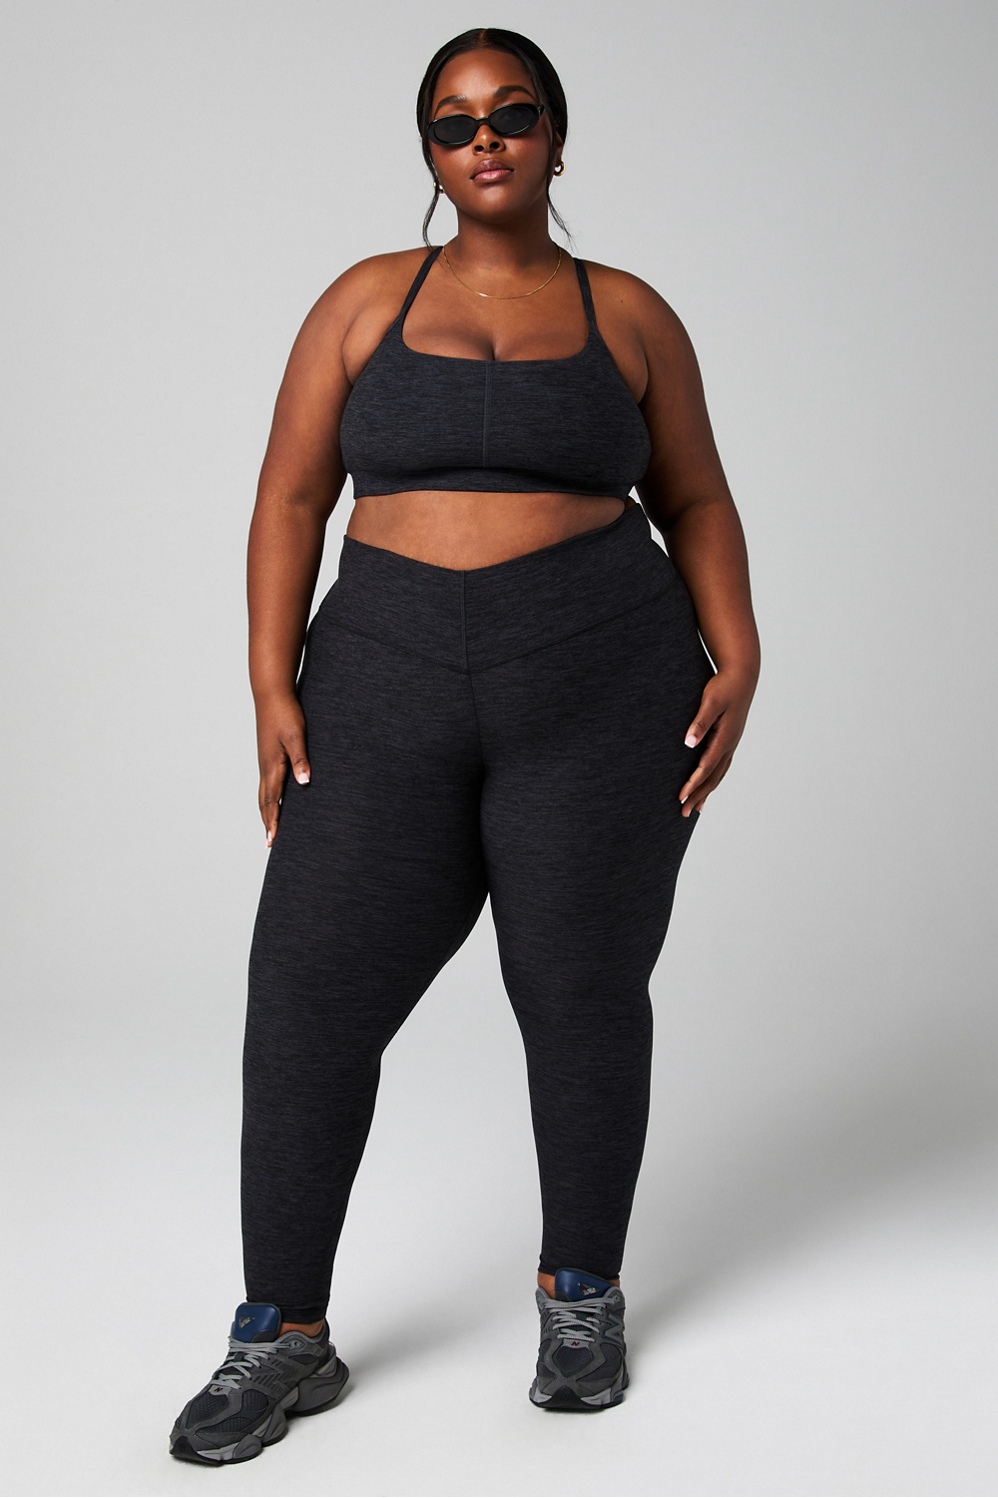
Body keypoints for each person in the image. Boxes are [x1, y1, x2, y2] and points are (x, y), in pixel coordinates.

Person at [170, 26, 760, 1465]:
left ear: (557, 135)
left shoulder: (631, 315)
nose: (483, 137)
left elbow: (693, 495)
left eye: (512, 113)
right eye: (453, 120)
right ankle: (282, 1334)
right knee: (307, 995)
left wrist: (739, 646)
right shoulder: (365, 300)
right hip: (383, 681)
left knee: (580, 992)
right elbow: (289, 495)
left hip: (601, 682)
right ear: (429, 152)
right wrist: (267, 682)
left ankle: (580, 1298)